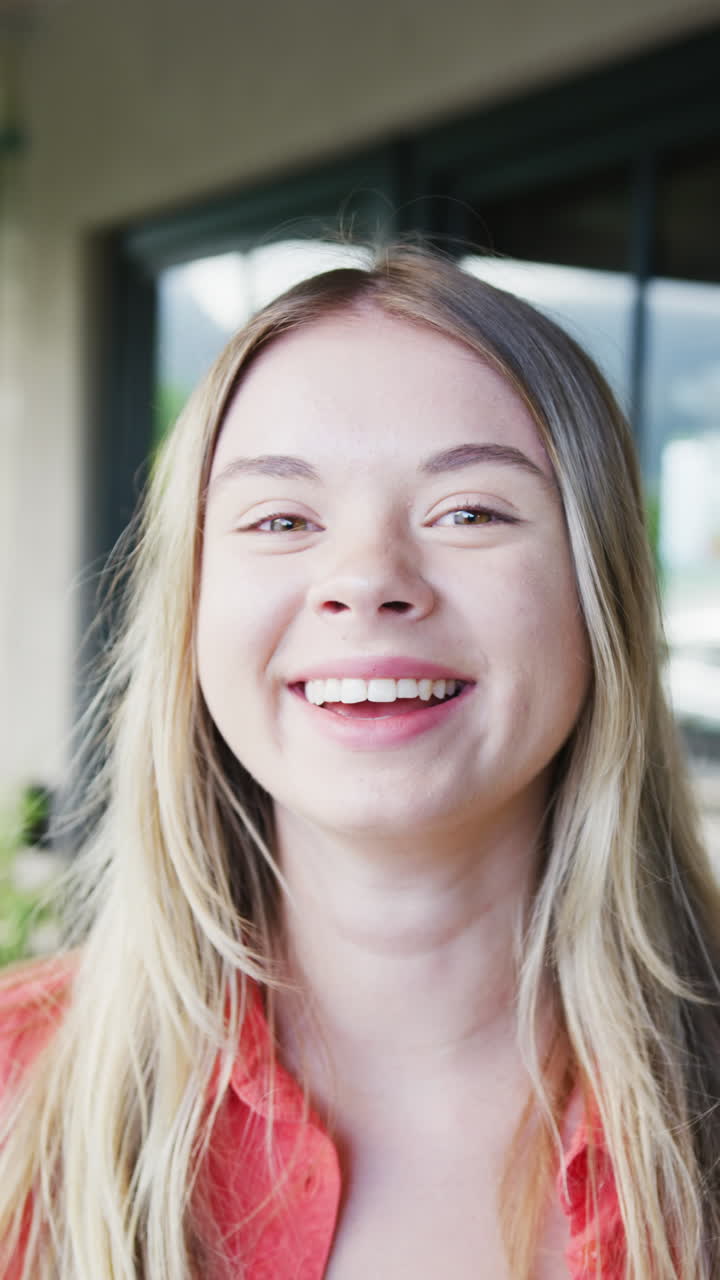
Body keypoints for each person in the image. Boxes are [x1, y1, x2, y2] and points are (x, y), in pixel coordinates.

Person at [1, 245, 719, 1279]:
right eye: (282, 519)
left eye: (470, 511)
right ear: (194, 609)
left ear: (599, 597)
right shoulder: (14, 1092)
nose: (367, 578)